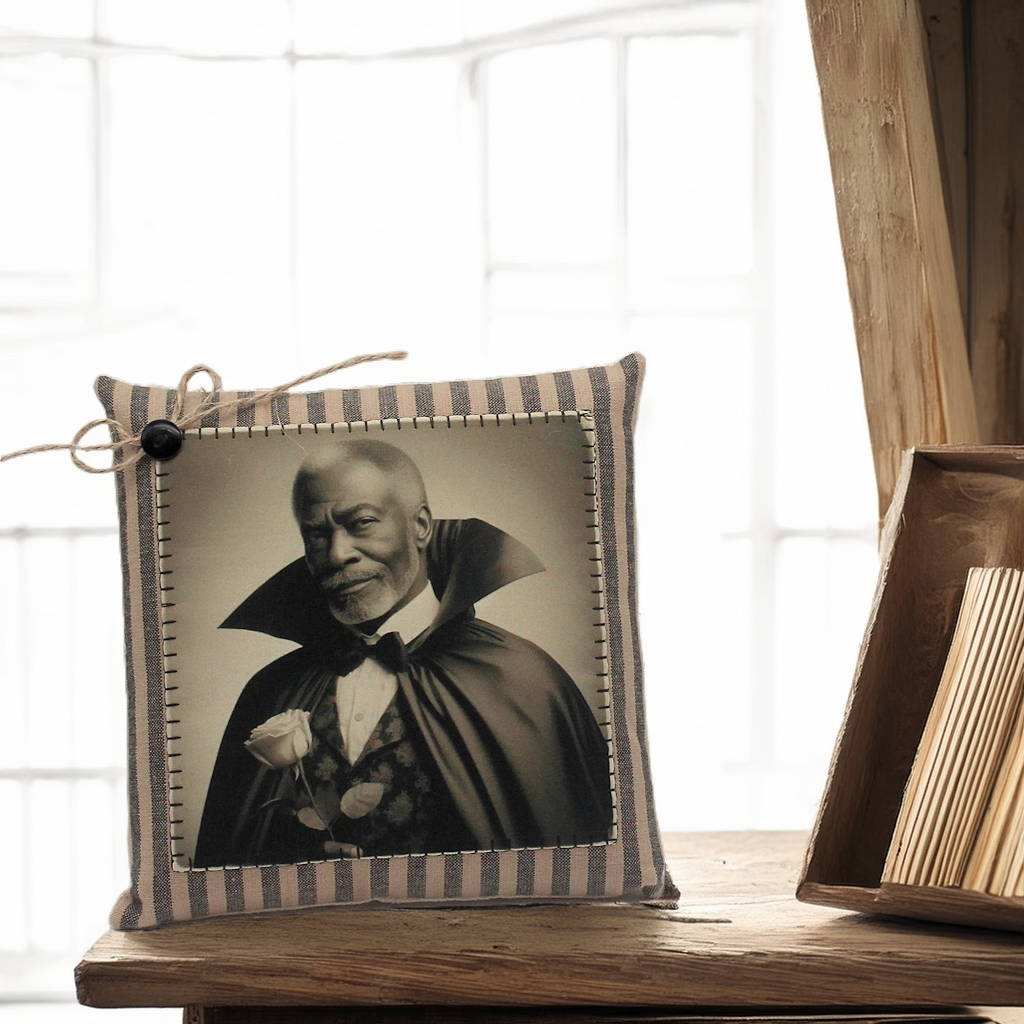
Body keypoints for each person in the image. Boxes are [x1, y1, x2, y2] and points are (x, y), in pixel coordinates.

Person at [193, 440, 613, 868]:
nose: (337, 554)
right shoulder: (270, 691)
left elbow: (569, 861)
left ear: (421, 526)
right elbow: (230, 856)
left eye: (361, 523)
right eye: (317, 534)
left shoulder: (525, 682)